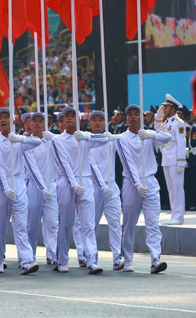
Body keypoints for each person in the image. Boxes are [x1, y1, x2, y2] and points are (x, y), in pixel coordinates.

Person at [48, 107, 108, 275]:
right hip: (67, 183)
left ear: (79, 119)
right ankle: (62, 260)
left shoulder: (85, 137)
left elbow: (105, 139)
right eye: (66, 117)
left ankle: (92, 261)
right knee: (66, 224)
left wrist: (87, 136)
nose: (69, 119)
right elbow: (64, 162)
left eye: (72, 116)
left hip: (86, 182)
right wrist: (73, 183)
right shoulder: (58, 140)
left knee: (88, 224)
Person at [0, 108, 43, 275]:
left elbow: (38, 142)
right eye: (1, 118)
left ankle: (26, 260)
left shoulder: (18, 141)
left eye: (7, 117)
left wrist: (18, 138)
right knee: (1, 224)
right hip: (1, 185)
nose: (4, 120)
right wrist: (5, 188)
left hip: (19, 183)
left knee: (21, 225)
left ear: (12, 122)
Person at [115, 105, 169, 273]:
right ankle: (128, 258)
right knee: (129, 223)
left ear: (141, 117)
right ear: (126, 118)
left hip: (150, 182)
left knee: (153, 222)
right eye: (129, 115)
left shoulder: (147, 135)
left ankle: (155, 258)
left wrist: (151, 134)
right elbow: (128, 163)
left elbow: (168, 137)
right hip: (131, 184)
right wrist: (137, 184)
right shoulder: (121, 138)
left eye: (136, 114)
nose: (133, 117)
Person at [87, 111, 123, 270]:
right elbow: (92, 165)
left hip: (112, 185)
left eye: (101, 120)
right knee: (91, 225)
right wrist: (102, 186)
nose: (97, 123)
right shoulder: (86, 140)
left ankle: (117, 257)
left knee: (115, 224)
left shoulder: (111, 139)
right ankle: (91, 260)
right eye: (94, 120)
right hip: (94, 186)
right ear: (89, 124)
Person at [24, 113, 58, 267]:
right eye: (34, 121)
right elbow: (32, 169)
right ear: (30, 124)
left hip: (51, 185)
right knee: (32, 224)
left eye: (40, 121)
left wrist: (54, 138)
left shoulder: (50, 141)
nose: (37, 124)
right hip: (34, 187)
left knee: (52, 223)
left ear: (46, 123)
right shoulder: (26, 143)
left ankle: (53, 254)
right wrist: (42, 188)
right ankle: (29, 255)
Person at [157, 94, 187, 225]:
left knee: (177, 188)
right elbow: (157, 131)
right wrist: (158, 117)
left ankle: (179, 215)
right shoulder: (166, 122)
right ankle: (174, 214)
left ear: (173, 109)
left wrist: (181, 161)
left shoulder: (179, 123)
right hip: (166, 158)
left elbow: (181, 143)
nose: (163, 109)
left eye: (166, 107)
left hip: (175, 158)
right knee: (171, 188)